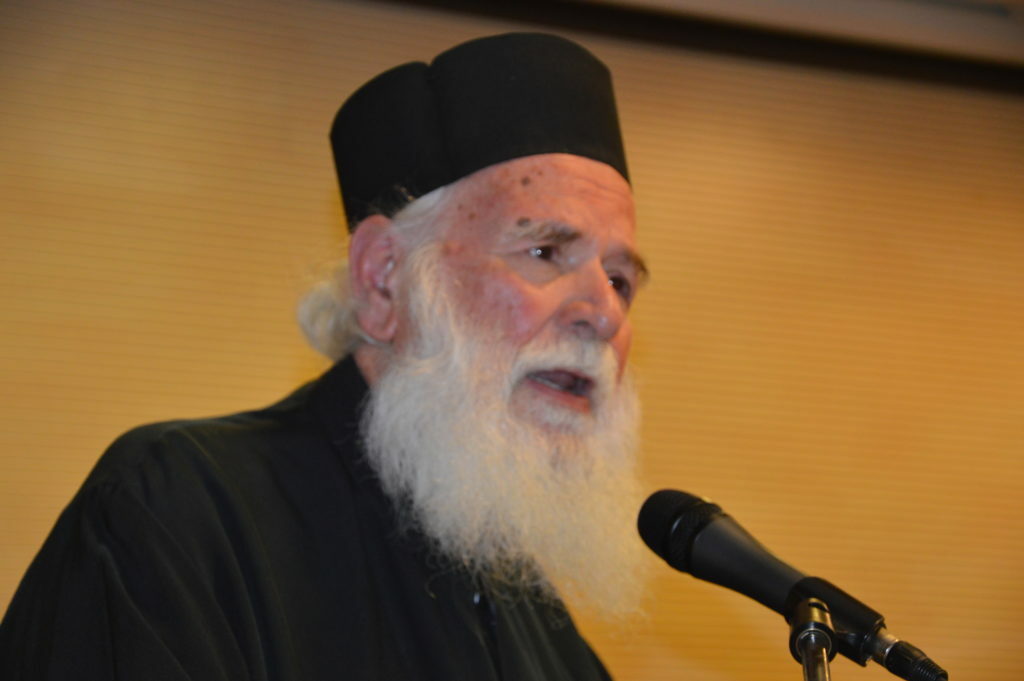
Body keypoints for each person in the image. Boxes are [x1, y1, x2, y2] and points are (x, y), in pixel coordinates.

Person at [0, 33, 650, 680]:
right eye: (544, 252)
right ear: (383, 278)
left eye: (620, 280)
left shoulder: (542, 626)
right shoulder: (176, 511)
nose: (604, 313)